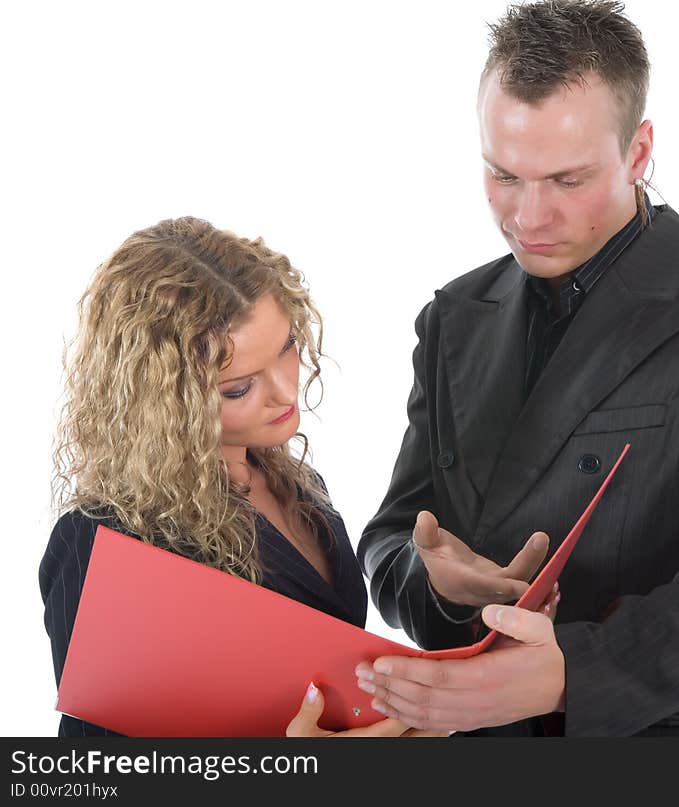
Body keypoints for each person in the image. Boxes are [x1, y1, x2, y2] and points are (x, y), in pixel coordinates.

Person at [355, 0, 679, 736]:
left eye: (567, 180)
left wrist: (569, 673)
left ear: (639, 153)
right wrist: (439, 583)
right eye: (503, 174)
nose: (528, 217)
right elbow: (390, 538)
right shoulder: (453, 314)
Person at [39, 216, 443, 738]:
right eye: (237, 388)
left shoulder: (299, 488)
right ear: (164, 401)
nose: (285, 392)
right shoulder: (102, 540)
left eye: (287, 348)